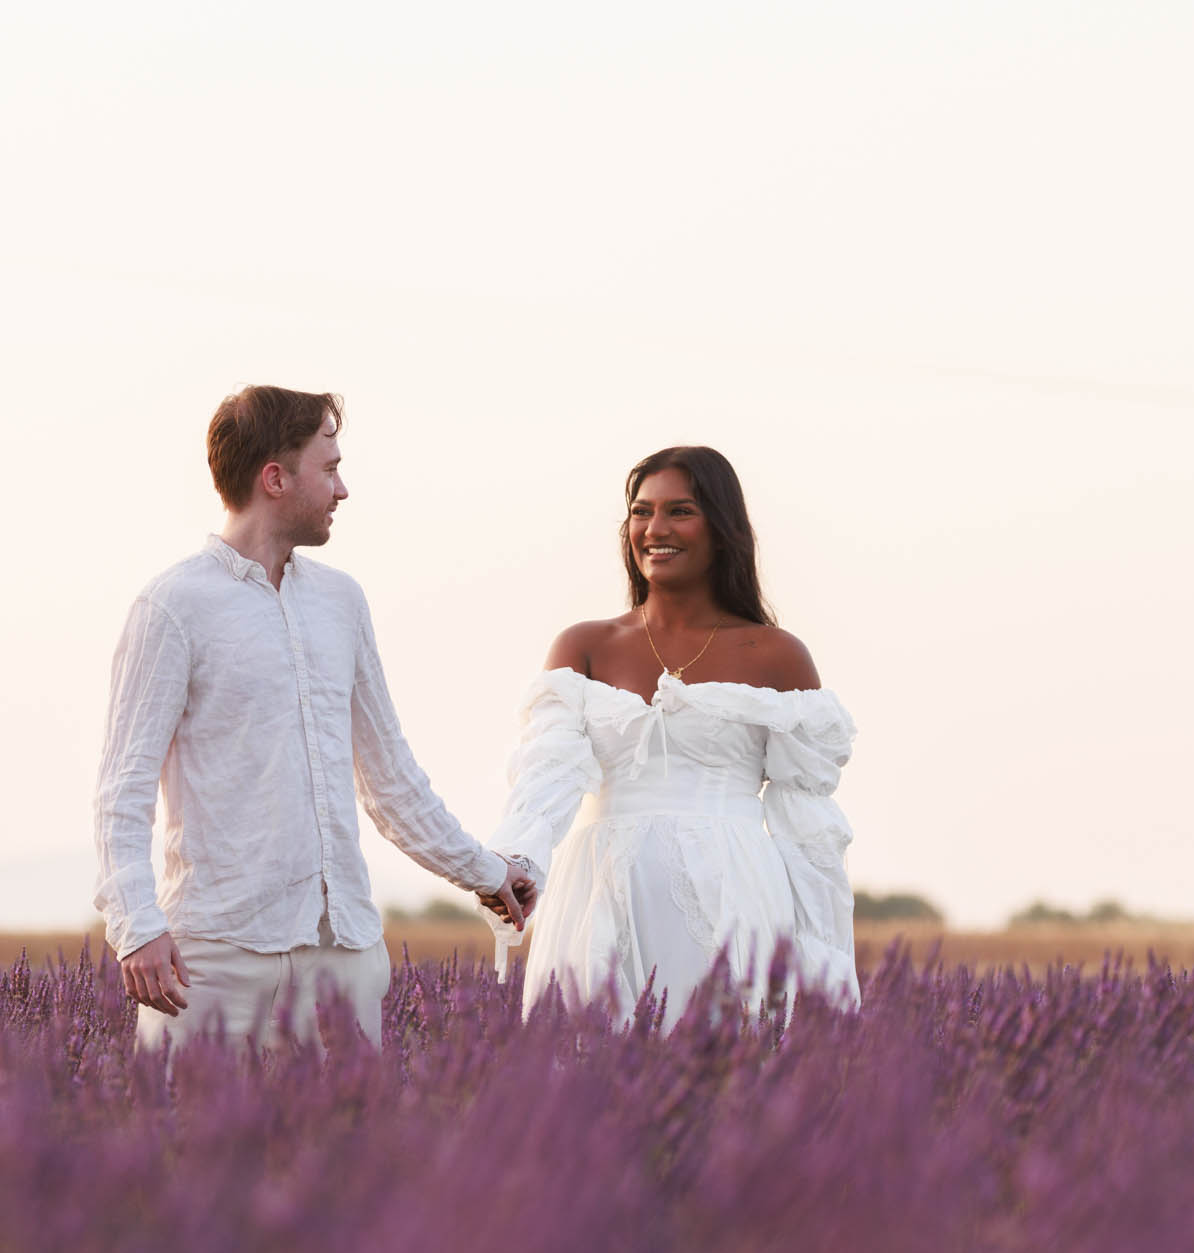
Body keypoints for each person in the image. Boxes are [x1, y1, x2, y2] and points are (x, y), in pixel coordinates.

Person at [93, 384, 536, 1050]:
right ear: (275, 478)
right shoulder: (172, 606)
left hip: (344, 959)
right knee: (186, 1125)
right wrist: (136, 928)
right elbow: (121, 792)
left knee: (352, 1127)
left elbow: (390, 781)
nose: (343, 489)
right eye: (329, 469)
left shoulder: (341, 602)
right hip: (214, 961)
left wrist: (489, 873)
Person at [477, 446, 859, 1029]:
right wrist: (517, 860)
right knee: (590, 1072)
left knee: (727, 1070)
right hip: (600, 894)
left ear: (722, 529)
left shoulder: (777, 655)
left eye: (680, 511)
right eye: (641, 512)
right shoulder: (585, 645)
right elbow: (546, 776)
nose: (655, 529)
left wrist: (826, 974)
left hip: (735, 895)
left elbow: (808, 830)